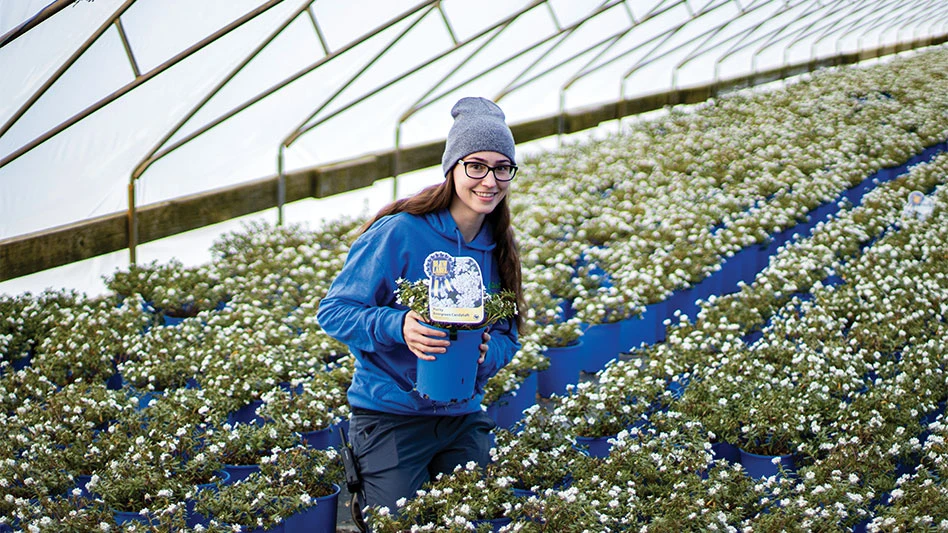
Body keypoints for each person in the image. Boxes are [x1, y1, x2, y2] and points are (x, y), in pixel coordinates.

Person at [316, 96, 524, 516]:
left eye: (502, 167)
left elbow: (508, 335)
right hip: (390, 413)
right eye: (476, 166)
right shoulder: (401, 232)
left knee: (478, 515)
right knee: (394, 522)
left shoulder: (499, 245)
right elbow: (334, 311)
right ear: (453, 169)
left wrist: (486, 353)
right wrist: (400, 326)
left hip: (461, 413)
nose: (490, 180)